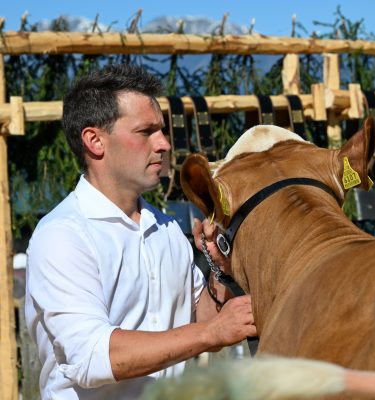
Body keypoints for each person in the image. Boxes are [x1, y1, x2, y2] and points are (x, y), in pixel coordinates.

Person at [25, 64, 257, 400]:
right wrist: (212, 333)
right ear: (94, 141)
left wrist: (221, 268)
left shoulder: (166, 228)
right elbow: (92, 358)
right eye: (145, 132)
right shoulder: (62, 236)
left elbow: (202, 319)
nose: (164, 144)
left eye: (162, 130)